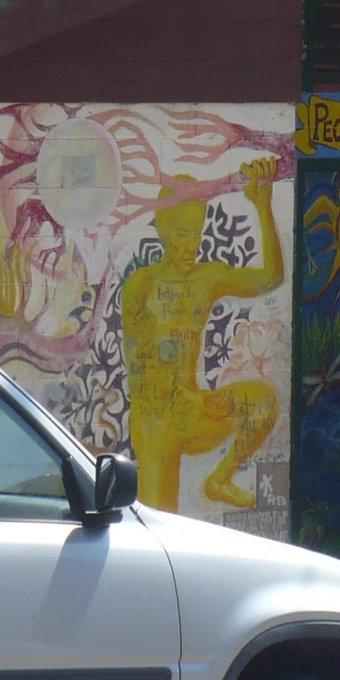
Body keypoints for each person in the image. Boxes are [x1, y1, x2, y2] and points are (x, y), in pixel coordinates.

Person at [120, 158, 285, 511]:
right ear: (163, 231)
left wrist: (262, 206)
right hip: (156, 423)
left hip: (193, 413)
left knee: (262, 402)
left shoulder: (206, 278)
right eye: (182, 235)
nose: (190, 245)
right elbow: (139, 365)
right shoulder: (142, 284)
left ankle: (220, 479)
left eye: (197, 233)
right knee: (159, 525)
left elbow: (271, 277)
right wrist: (175, 392)